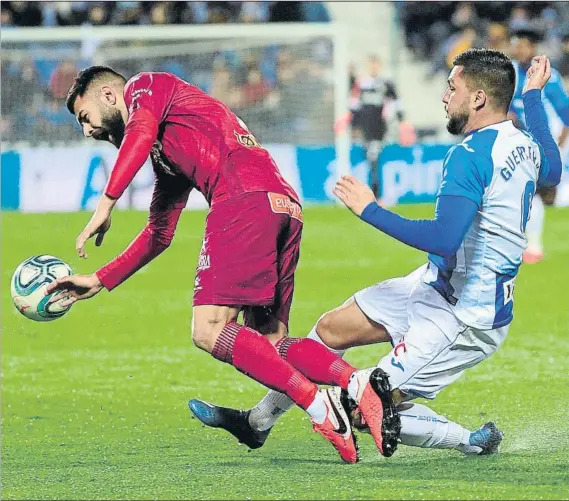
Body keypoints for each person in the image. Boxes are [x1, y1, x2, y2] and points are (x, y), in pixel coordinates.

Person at [190, 50, 562, 456]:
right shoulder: (522, 142)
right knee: (331, 329)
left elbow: (443, 238)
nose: (444, 97)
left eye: (452, 88)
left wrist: (369, 210)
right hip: (434, 285)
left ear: (477, 99)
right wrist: (534, 97)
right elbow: (554, 172)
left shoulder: (469, 157)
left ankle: (471, 442)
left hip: (466, 317)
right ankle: (257, 422)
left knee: (361, 407)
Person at [45, 66, 402, 464]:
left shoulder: (145, 86)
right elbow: (159, 234)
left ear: (110, 96)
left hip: (241, 199)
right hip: (282, 204)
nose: (87, 131)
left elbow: (139, 132)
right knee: (268, 345)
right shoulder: (169, 148)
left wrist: (106, 203)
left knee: (209, 330)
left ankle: (322, 408)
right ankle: (358, 383)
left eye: (84, 118)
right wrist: (99, 278)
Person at [509, 28, 569, 263]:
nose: (519, 50)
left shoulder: (547, 75)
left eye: (523, 45)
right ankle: (531, 246)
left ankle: (531, 245)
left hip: (546, 142)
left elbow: (565, 113)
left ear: (532, 48)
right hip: (522, 143)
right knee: (528, 192)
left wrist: (559, 145)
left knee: (537, 193)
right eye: (516, 45)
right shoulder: (510, 74)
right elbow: (508, 107)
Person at [350, 55, 403, 197]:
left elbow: (396, 102)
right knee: (367, 159)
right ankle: (369, 192)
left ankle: (375, 194)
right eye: (371, 65)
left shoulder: (385, 84)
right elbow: (353, 105)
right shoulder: (360, 84)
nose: (374, 68)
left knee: (374, 159)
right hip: (363, 127)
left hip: (378, 127)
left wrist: (401, 120)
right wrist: (353, 125)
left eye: (376, 65)